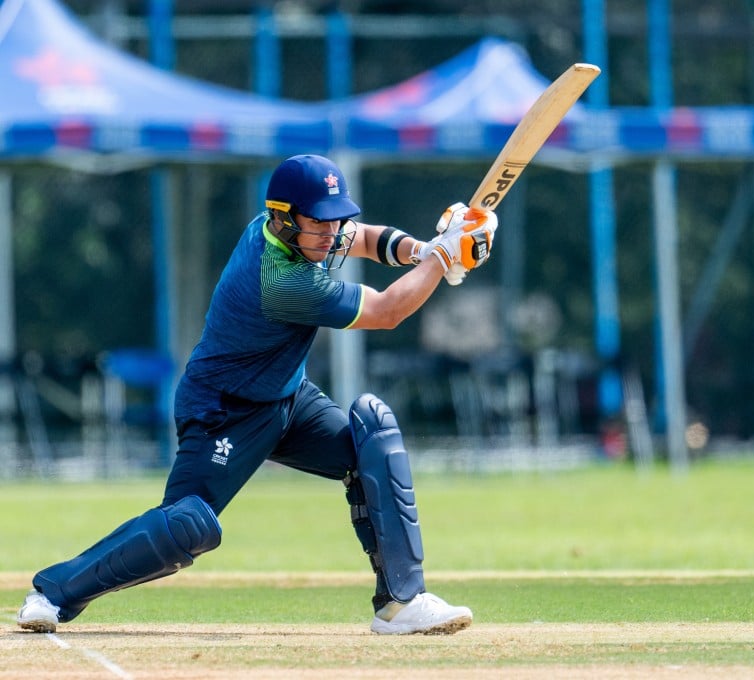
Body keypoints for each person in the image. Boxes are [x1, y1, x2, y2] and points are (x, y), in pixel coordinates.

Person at [17, 154, 497, 636]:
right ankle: (53, 593)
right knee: (188, 525)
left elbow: (368, 238)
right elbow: (389, 310)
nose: (331, 233)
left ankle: (402, 602)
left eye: (335, 220)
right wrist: (443, 258)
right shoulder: (283, 280)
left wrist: (426, 249)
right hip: (224, 411)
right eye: (319, 222)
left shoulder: (305, 233)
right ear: (284, 219)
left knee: (371, 442)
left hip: (288, 399)